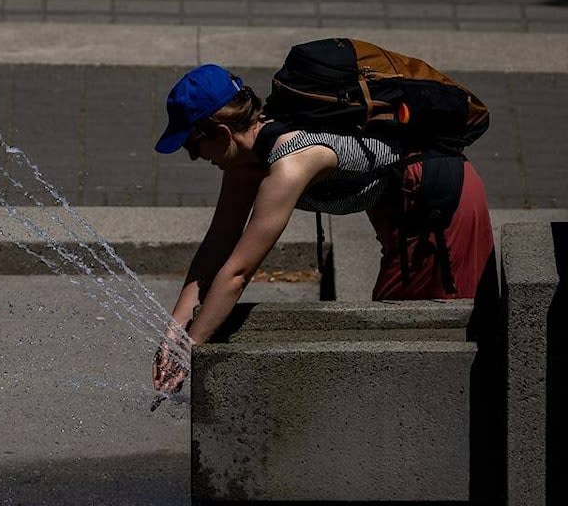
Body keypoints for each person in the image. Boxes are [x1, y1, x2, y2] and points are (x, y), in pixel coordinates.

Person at [150, 63, 494, 395]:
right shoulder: (245, 158)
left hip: (440, 206)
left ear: (223, 133)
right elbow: (217, 245)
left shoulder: (291, 162)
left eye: (192, 147)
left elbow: (238, 272)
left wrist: (191, 350)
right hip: (399, 214)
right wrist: (174, 332)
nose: (194, 157)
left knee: (422, 339)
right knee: (398, 338)